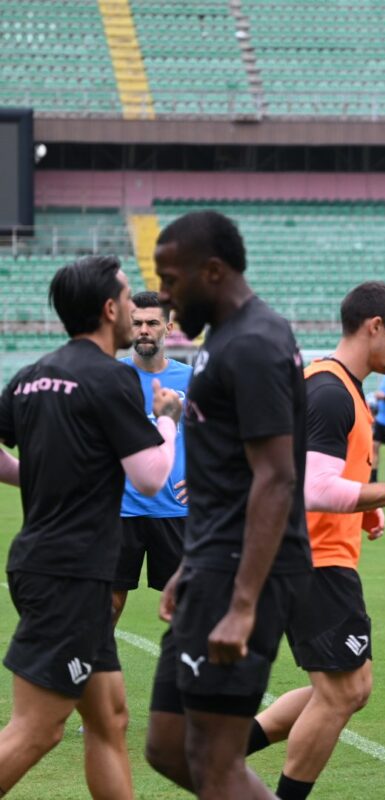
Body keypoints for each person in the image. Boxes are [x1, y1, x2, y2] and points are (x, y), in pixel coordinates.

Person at [243, 282, 385, 800]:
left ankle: (224, 748)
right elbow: (315, 489)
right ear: (373, 326)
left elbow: (309, 475)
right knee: (343, 692)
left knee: (338, 689)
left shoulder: (336, 386)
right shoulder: (330, 391)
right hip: (314, 561)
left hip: (312, 554)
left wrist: (367, 513)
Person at [142, 210, 311, 800]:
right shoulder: (225, 340)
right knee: (165, 745)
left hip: (247, 576)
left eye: (169, 278)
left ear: (211, 271)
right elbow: (226, 473)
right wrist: (190, 564)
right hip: (211, 564)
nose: (163, 295)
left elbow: (276, 478)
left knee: (216, 762)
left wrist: (241, 604)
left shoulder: (257, 343)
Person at [0, 255, 180, 798]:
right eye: (128, 301)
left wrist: (37, 475)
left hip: (58, 566)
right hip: (69, 575)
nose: (135, 311)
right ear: (109, 309)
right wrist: (167, 421)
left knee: (110, 720)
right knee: (39, 728)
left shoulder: (31, 376)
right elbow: (149, 478)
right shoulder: (112, 379)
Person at [113, 290, 192, 626]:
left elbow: (220, 440)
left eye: (152, 323)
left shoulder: (191, 380)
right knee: (108, 605)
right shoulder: (109, 377)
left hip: (176, 509)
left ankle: (189, 676)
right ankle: (94, 675)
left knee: (187, 608)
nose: (144, 329)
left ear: (168, 328)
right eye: (137, 323)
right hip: (119, 510)